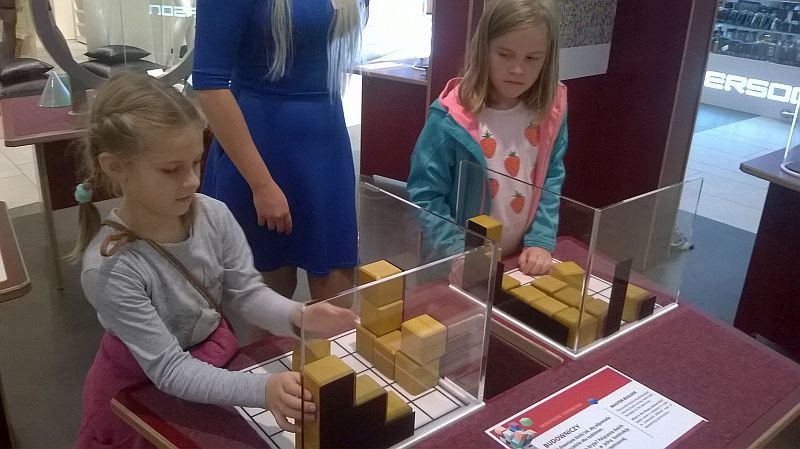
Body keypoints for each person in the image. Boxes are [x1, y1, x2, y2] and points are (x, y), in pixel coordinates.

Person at [70, 73, 356, 449]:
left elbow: (247, 294)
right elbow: (168, 369)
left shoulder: (213, 214)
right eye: (171, 170)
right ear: (115, 167)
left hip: (212, 363)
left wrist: (297, 316)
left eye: (196, 162)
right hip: (140, 391)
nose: (191, 181)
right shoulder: (110, 267)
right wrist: (262, 389)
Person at [192, 0, 368, 300]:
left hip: (327, 145)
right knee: (267, 301)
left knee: (337, 300)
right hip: (261, 148)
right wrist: (261, 184)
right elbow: (209, 85)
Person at [407, 0, 568, 276]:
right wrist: (456, 251)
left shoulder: (550, 111)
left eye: (532, 58)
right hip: (454, 264)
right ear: (484, 50)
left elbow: (551, 177)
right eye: (505, 55)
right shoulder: (449, 117)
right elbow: (425, 194)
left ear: (547, 58)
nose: (517, 69)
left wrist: (540, 239)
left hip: (518, 262)